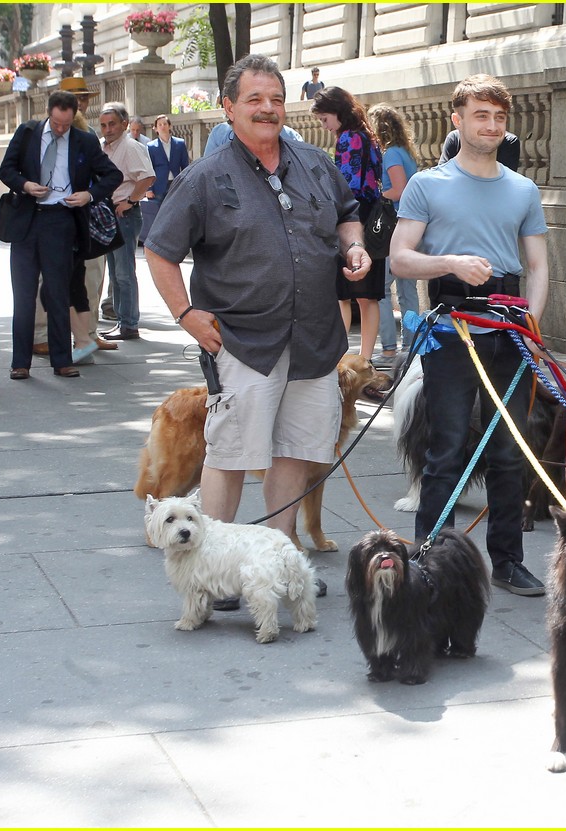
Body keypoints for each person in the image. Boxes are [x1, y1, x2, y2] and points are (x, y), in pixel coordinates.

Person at [145, 54, 370, 551]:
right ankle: (218, 562)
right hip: (243, 343)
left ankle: (279, 553)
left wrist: (353, 245)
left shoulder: (315, 164)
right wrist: (185, 314)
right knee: (228, 454)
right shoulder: (203, 177)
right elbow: (159, 251)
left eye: (276, 100)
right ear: (229, 107)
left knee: (297, 449)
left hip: (315, 340)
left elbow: (348, 215)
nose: (268, 109)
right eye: (255, 100)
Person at [390, 73, 549, 596]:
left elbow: (537, 264)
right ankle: (430, 558)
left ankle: (507, 560)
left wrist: (532, 323)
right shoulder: (427, 184)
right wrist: (449, 262)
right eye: (481, 116)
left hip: (508, 329)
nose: (492, 126)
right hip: (452, 326)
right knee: (447, 446)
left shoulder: (523, 189)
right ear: (457, 120)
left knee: (509, 449)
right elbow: (400, 257)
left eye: (500, 117)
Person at [0, 90, 121, 379]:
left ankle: (62, 360)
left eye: (66, 124)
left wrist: (88, 195)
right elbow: (6, 170)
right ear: (48, 113)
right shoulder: (27, 133)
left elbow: (111, 176)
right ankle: (20, 362)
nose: (60, 129)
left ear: (74, 116)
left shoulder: (85, 140)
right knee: (24, 294)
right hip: (27, 220)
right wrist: (26, 185)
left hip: (61, 220)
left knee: (58, 292)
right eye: (56, 123)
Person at [311, 86, 384, 361]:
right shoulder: (368, 135)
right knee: (369, 295)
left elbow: (344, 186)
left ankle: (339, 355)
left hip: (352, 218)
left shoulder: (348, 138)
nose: (324, 126)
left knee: (343, 293)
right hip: (370, 215)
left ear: (337, 112)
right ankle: (365, 358)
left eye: (324, 119)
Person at [98, 102, 156, 341]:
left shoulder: (130, 146)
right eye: (103, 125)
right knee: (115, 272)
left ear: (124, 124)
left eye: (112, 124)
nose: (107, 129)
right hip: (109, 213)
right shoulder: (104, 148)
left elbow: (148, 176)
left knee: (124, 272)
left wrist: (131, 201)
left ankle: (129, 323)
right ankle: (121, 320)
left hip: (125, 214)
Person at [368, 102, 420, 367]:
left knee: (381, 290)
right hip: (412, 226)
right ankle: (411, 346)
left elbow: (399, 190)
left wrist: (376, 194)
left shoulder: (390, 155)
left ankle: (389, 350)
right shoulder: (406, 153)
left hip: (394, 228)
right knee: (407, 292)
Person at [140, 113, 190, 244]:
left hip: (175, 183)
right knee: (158, 215)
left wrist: (186, 183)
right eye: (159, 125)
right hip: (158, 186)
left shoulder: (179, 144)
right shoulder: (151, 146)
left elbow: (185, 165)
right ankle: (158, 241)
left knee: (175, 213)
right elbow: (148, 168)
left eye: (165, 124)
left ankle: (174, 240)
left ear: (170, 126)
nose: (162, 127)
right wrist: (149, 188)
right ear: (155, 128)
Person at [202, 119, 303, 157]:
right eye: (255, 100)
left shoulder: (293, 138)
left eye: (275, 100)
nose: (267, 107)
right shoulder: (220, 134)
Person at [439, 127, 520, 171]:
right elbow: (442, 176)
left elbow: (503, 184)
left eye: (499, 117)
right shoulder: (455, 138)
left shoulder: (509, 141)